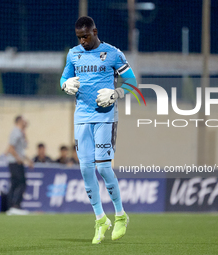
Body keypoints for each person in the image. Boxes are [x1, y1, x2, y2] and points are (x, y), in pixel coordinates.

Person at [60, 16, 136, 244]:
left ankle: (121, 215)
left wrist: (117, 93)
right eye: (79, 37)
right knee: (85, 170)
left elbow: (132, 83)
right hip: (81, 117)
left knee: (103, 169)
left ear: (95, 31)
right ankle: (101, 219)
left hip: (105, 117)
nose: (82, 41)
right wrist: (64, 84)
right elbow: (64, 77)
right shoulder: (73, 54)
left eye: (86, 36)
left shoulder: (112, 53)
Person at [6, 116, 33, 215]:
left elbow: (21, 149)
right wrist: (19, 159)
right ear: (19, 121)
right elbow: (10, 148)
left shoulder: (21, 133)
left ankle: (10, 207)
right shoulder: (16, 132)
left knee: (15, 184)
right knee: (22, 183)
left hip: (17, 161)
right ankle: (15, 205)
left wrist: (28, 160)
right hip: (15, 162)